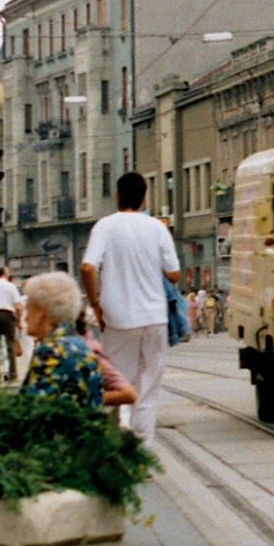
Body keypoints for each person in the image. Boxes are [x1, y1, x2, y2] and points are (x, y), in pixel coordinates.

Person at [81, 173, 180, 442]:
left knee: (114, 384)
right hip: (154, 318)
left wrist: (95, 303)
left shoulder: (105, 226)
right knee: (148, 388)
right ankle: (141, 453)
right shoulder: (157, 227)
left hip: (118, 318)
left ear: (117, 195)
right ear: (145, 197)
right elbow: (174, 273)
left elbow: (88, 267)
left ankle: (114, 447)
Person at [19, 271, 103, 409]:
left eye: (28, 309)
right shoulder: (80, 345)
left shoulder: (51, 350)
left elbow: (34, 409)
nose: (25, 317)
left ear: (41, 312)